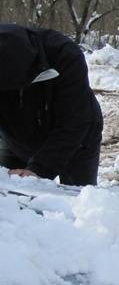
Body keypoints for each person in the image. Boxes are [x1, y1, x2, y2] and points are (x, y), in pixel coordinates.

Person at [0, 23, 103, 186]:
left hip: (77, 141)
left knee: (80, 197)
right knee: (11, 191)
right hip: (14, 138)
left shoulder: (64, 54)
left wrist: (39, 169)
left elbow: (74, 121)